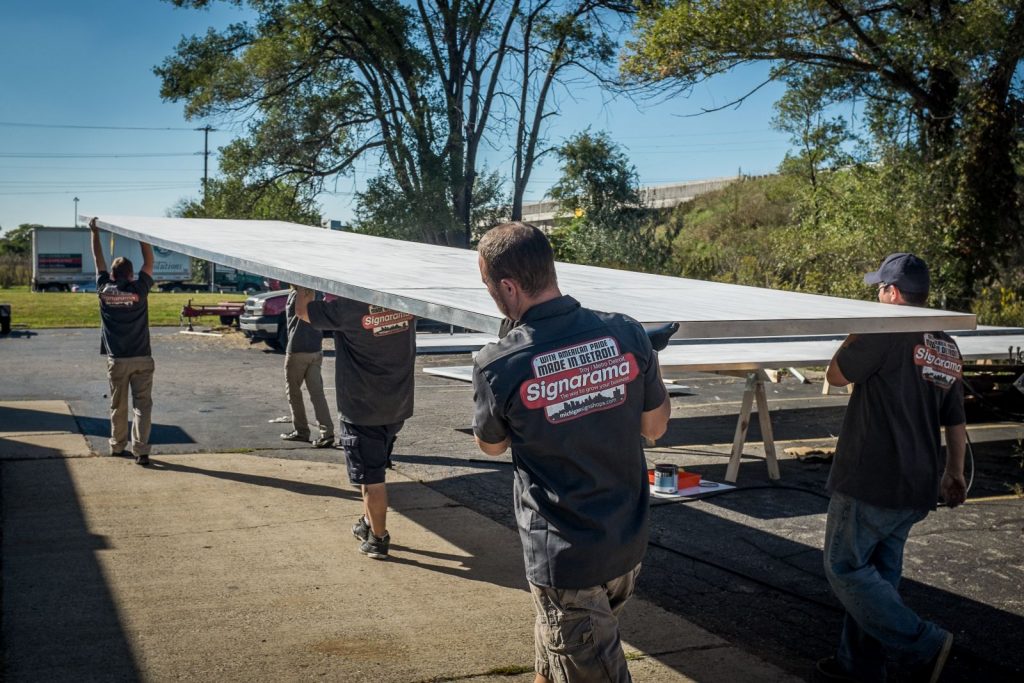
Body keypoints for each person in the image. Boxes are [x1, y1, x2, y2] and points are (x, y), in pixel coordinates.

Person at [471, 222, 671, 683]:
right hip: (626, 542)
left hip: (566, 558)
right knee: (557, 657)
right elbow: (655, 427)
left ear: (507, 286)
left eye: (486, 285)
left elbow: (491, 445)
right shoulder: (625, 332)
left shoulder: (498, 363)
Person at [818, 253, 967, 683]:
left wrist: (857, 330)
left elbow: (836, 375)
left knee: (844, 567)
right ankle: (858, 665)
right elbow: (955, 419)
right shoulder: (946, 344)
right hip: (916, 484)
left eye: (879, 289)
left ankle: (924, 643)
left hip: (871, 479)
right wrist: (953, 473)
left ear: (892, 293)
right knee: (878, 579)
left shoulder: (883, 333)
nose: (876, 296)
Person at [295, 289, 415, 560]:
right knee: (370, 467)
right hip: (396, 405)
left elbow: (303, 311)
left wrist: (303, 285)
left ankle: (378, 539)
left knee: (372, 477)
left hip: (362, 409)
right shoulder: (405, 303)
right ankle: (368, 521)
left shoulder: (348, 309)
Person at [89, 217, 156, 466]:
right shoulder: (140, 288)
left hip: (117, 360)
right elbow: (149, 262)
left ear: (113, 274)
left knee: (118, 406)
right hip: (142, 358)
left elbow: (98, 259)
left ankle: (117, 446)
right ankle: (142, 451)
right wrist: (142, 235)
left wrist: (94, 232)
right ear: (130, 273)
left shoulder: (104, 289)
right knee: (143, 407)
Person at [280, 286, 335, 448]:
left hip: (297, 349)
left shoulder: (301, 292)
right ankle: (327, 433)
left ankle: (301, 431)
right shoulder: (317, 292)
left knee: (294, 392)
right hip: (315, 348)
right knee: (317, 394)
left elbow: (299, 312)